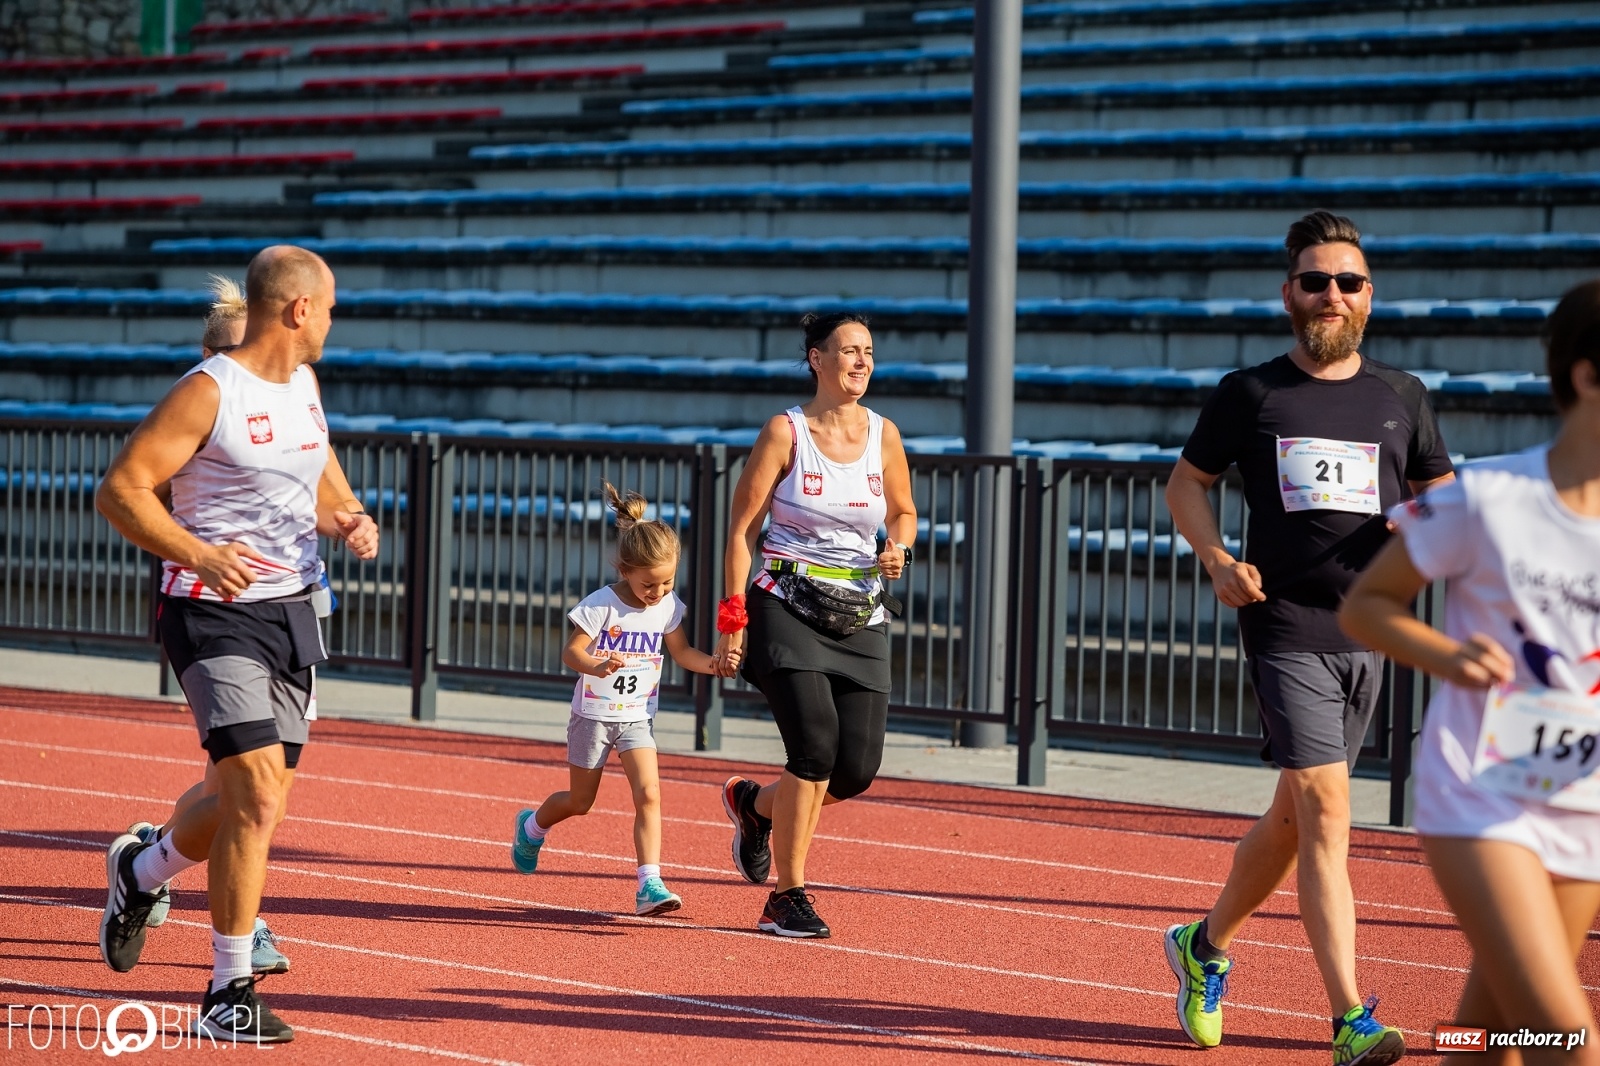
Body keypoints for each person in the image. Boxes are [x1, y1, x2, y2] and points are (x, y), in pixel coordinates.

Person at [1160, 211, 1455, 1064]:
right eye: (1316, 281)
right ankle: (1351, 1020)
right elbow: (1187, 485)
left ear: (1370, 298)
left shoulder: (1403, 397)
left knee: (1293, 820)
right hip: (1283, 624)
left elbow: (1440, 494)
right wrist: (1215, 556)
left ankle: (1203, 945)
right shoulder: (1250, 394)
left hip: (1369, 630)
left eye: (1348, 282)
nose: (1332, 295)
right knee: (1328, 814)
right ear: (1288, 294)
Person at [95, 246, 377, 1044]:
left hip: (292, 613)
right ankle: (228, 989)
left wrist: (350, 517)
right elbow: (119, 490)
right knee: (254, 792)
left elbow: (320, 478)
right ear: (297, 310)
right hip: (211, 611)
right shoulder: (207, 391)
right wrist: (197, 552)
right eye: (328, 308)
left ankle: (141, 869)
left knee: (247, 802)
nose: (331, 321)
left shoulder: (306, 386)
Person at [1341, 280, 1600, 1066]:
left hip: (1582, 800)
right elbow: (1367, 608)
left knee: (1491, 1043)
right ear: (1587, 377)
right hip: (1481, 789)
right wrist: (1450, 655)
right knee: (1568, 1044)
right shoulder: (1489, 498)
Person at [714, 312, 916, 939]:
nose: (862, 362)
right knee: (814, 747)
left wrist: (898, 549)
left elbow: (904, 513)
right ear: (816, 359)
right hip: (786, 602)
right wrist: (733, 616)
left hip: (858, 611)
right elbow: (744, 529)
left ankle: (754, 806)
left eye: (870, 353)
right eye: (849, 351)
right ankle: (786, 896)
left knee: (853, 770)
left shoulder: (884, 434)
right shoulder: (785, 432)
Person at [511, 483, 732, 915]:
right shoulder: (602, 605)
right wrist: (594, 666)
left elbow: (682, 652)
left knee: (649, 793)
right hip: (593, 716)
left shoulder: (668, 608)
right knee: (580, 802)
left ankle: (649, 883)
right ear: (626, 569)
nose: (659, 591)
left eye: (668, 581)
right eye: (650, 583)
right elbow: (571, 652)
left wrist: (714, 664)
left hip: (637, 718)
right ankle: (532, 827)